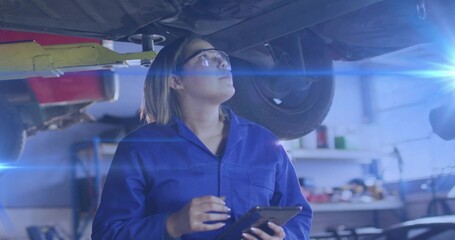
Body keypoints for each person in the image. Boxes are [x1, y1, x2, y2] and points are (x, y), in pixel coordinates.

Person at [91, 35, 312, 240]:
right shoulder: (140, 148)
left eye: (222, 58)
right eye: (205, 59)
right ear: (176, 80)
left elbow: (299, 216)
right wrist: (171, 225)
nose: (222, 64)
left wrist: (284, 237)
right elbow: (107, 232)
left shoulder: (264, 142)